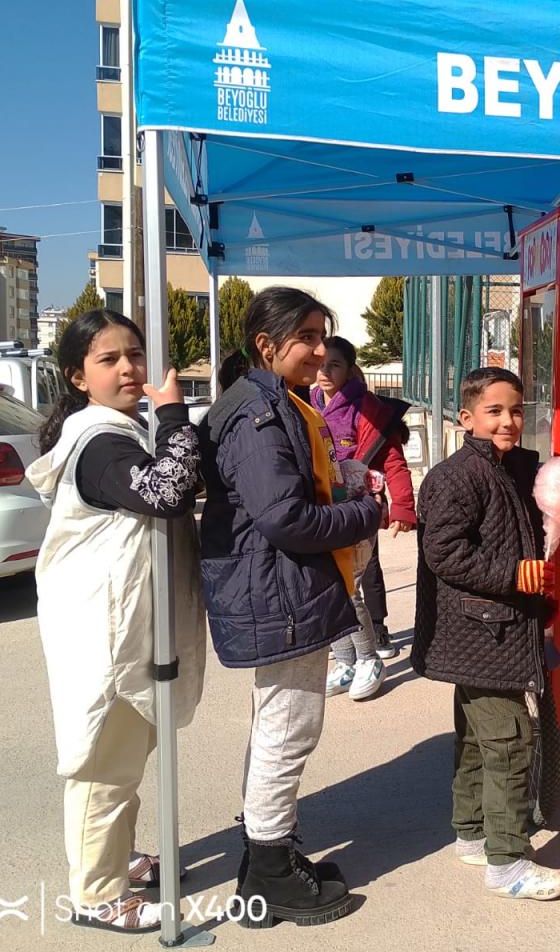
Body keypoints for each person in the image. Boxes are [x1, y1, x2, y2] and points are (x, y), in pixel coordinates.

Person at [199, 287, 380, 928]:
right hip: (278, 591)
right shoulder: (256, 416)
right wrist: (366, 512)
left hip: (279, 587)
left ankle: (263, 863)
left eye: (322, 335)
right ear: (267, 345)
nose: (320, 348)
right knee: (288, 730)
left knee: (278, 725)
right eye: (306, 336)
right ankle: (272, 874)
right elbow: (285, 518)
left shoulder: (272, 403)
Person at [28, 309, 206, 934]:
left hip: (121, 627)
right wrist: (177, 418)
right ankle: (96, 894)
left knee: (126, 754)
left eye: (133, 354)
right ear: (79, 376)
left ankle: (118, 860)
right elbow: (169, 493)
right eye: (109, 360)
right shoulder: (101, 442)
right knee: (103, 764)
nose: (129, 368)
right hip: (102, 634)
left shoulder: (116, 432)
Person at [413, 367, 560, 901]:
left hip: (497, 631)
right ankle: (507, 861)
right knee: (510, 740)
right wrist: (513, 574)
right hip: (480, 633)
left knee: (479, 740)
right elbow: (444, 552)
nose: (509, 420)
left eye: (517, 410)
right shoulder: (455, 477)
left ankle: (472, 832)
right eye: (495, 411)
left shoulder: (514, 467)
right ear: (466, 419)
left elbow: (553, 478)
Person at [312, 337, 416, 701]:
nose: (325, 372)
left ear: (351, 368)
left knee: (349, 587)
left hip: (358, 511)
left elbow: (392, 461)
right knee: (329, 586)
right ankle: (344, 660)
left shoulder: (367, 410)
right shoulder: (308, 403)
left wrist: (403, 507)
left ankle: (369, 658)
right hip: (321, 510)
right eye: (321, 364)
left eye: (334, 365)